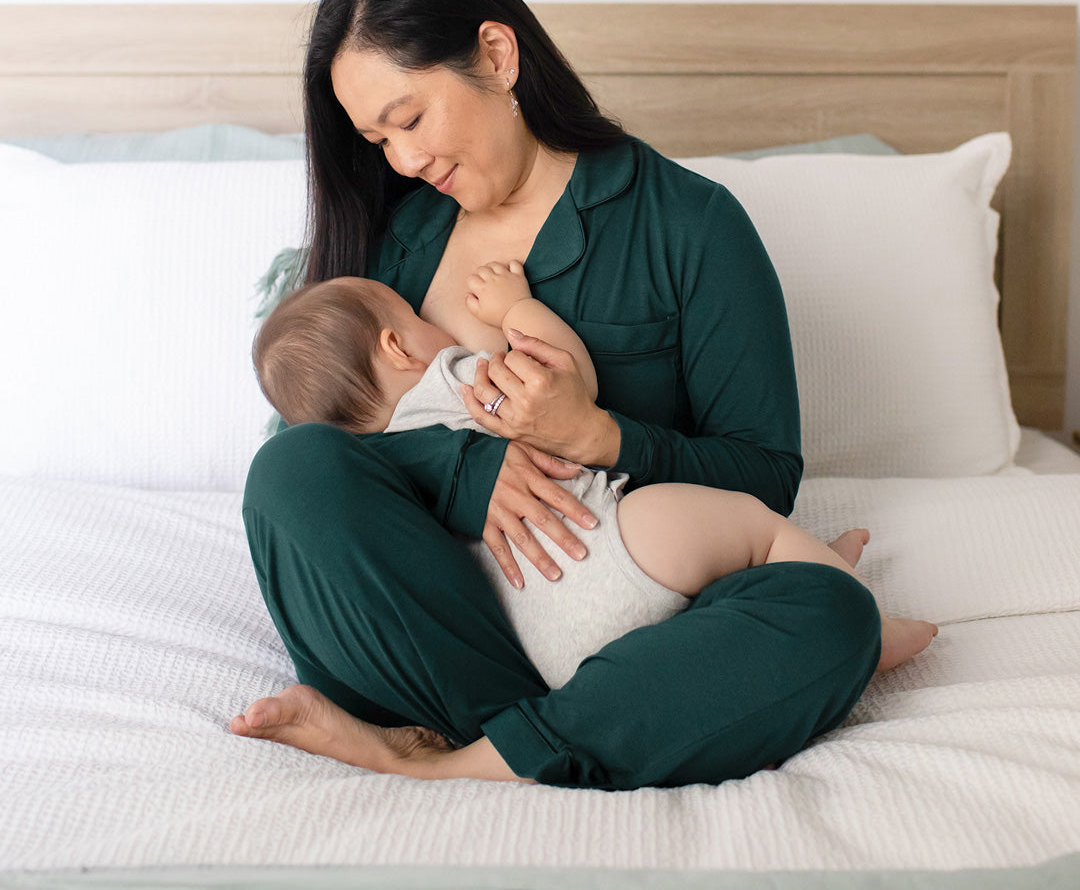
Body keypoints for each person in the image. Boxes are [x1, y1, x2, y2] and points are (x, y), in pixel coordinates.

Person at [232, 0, 887, 790]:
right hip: (439, 644)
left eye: (410, 120)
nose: (403, 161)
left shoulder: (689, 226)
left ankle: (456, 759)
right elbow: (340, 462)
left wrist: (598, 435)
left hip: (620, 626)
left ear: (496, 56)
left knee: (834, 612)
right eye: (376, 138)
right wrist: (467, 472)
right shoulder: (392, 246)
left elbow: (763, 478)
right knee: (288, 467)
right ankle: (576, 734)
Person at [246, 264, 936, 698]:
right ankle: (860, 620)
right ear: (397, 346)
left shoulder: (375, 471)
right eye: (417, 318)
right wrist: (516, 309)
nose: (435, 326)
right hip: (600, 552)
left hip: (540, 646)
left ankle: (807, 570)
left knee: (722, 571)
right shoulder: (455, 382)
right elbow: (569, 378)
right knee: (751, 525)